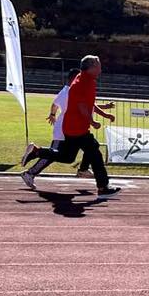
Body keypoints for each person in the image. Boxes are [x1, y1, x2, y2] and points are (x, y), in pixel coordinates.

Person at [21, 55, 117, 195]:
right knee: (95, 153)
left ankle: (38, 151)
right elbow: (82, 106)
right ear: (90, 67)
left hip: (73, 128)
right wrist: (92, 121)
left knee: (67, 157)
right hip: (77, 128)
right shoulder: (83, 83)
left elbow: (89, 104)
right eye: (98, 65)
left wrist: (105, 114)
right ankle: (102, 187)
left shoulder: (85, 80)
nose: (100, 68)